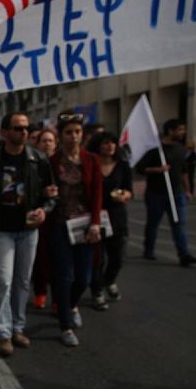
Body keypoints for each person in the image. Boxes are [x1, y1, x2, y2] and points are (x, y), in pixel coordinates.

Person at [0, 112, 57, 358]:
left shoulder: (38, 159)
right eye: (18, 128)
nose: (24, 132)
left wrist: (44, 210)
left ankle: (18, 328)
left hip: (29, 230)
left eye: (26, 128)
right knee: (4, 281)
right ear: (5, 132)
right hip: (2, 231)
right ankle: (3, 332)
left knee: (22, 281)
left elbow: (51, 193)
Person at [49, 112, 102, 347]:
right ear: (61, 135)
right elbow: (44, 188)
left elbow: (98, 193)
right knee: (65, 275)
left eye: (77, 132)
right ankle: (65, 325)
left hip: (84, 224)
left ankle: (70, 304)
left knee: (83, 277)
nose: (73, 136)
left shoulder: (91, 160)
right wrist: (47, 193)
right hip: (60, 224)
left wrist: (96, 223)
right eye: (68, 132)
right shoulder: (52, 161)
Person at [135, 119, 196, 267]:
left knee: (179, 224)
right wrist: (157, 170)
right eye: (180, 129)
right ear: (170, 131)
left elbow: (184, 171)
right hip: (156, 193)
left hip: (177, 193)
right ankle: (149, 250)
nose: (183, 133)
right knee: (153, 223)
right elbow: (140, 168)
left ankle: (183, 255)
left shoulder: (181, 149)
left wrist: (187, 190)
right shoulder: (155, 149)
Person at [88, 132, 132, 305]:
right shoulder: (92, 164)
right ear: (98, 145)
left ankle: (109, 280)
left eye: (113, 143)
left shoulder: (122, 166)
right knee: (97, 258)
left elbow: (128, 189)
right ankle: (97, 289)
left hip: (117, 216)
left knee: (118, 257)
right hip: (96, 215)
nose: (110, 146)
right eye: (106, 143)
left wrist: (124, 195)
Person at [32, 128, 58, 309]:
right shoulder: (35, 163)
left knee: (59, 259)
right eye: (44, 140)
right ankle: (40, 291)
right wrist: (42, 193)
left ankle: (58, 298)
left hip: (60, 216)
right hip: (40, 215)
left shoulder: (62, 163)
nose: (47, 144)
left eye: (50, 140)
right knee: (41, 257)